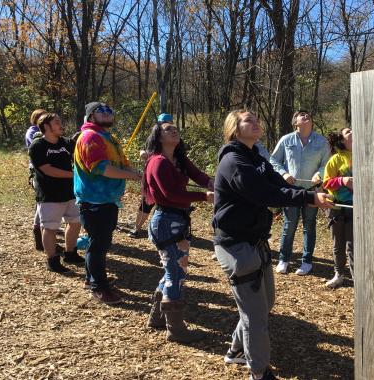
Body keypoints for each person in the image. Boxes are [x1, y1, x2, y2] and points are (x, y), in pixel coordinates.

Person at [213, 110, 332, 380]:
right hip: (236, 245)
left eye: (256, 119)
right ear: (234, 128)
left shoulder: (256, 157)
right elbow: (263, 193)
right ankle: (259, 371)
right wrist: (309, 199)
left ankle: (236, 351)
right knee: (256, 315)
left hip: (256, 241)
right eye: (248, 121)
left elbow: (276, 183)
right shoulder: (234, 160)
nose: (255, 123)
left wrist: (312, 194)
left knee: (263, 304)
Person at [143, 119, 214, 343]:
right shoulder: (158, 162)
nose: (173, 131)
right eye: (167, 129)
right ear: (158, 136)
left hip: (178, 220)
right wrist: (204, 196)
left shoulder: (179, 159)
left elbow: (201, 177)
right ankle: (175, 329)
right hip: (165, 221)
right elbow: (170, 194)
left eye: (175, 128)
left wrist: (216, 184)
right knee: (176, 272)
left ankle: (156, 317)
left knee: (174, 269)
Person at [74, 101, 142, 304]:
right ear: (90, 116)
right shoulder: (90, 137)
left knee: (100, 241)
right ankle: (99, 287)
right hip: (94, 200)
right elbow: (101, 168)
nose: (107, 114)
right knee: (99, 244)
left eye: (109, 110)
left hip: (108, 199)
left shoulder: (108, 137)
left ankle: (90, 279)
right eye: (101, 111)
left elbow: (123, 165)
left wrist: (139, 174)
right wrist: (135, 177)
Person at [270, 110, 330, 275]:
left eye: (307, 115)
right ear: (294, 122)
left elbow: (327, 163)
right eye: (301, 115)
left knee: (309, 226)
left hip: (312, 191)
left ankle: (307, 261)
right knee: (289, 225)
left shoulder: (321, 141)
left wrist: (321, 173)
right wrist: (284, 174)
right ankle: (283, 259)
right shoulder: (286, 140)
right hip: (291, 191)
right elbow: (273, 160)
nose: (305, 116)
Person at [29, 113, 84, 272]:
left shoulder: (66, 143)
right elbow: (48, 170)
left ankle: (70, 253)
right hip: (49, 195)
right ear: (46, 126)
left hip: (70, 192)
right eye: (57, 122)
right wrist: (75, 175)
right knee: (50, 228)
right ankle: (52, 260)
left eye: (60, 121)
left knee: (75, 222)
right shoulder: (38, 146)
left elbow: (80, 156)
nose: (61, 124)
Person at [322, 127, 353, 289]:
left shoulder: (366, 155)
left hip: (357, 208)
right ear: (341, 140)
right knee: (338, 244)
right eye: (348, 131)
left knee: (353, 245)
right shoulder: (335, 160)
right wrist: (343, 181)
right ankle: (339, 274)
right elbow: (326, 183)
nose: (353, 132)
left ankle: (357, 277)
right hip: (337, 208)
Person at [27, 108, 47, 251]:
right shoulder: (34, 133)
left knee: (41, 204)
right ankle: (40, 237)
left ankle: (43, 233)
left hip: (40, 170)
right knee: (42, 204)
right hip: (38, 172)